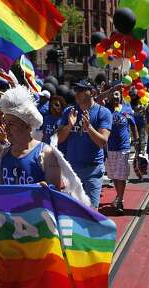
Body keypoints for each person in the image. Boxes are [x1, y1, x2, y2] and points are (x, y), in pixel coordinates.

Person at [57, 79, 112, 208]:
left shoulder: (103, 113)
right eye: (76, 90)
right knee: (72, 213)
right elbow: (59, 139)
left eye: (81, 90)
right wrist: (69, 125)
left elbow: (102, 141)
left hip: (92, 170)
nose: (77, 93)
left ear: (92, 92)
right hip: (71, 170)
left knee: (91, 213)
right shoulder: (68, 112)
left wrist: (89, 128)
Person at [105, 91, 138, 214]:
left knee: (122, 176)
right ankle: (119, 195)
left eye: (117, 94)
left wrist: (137, 141)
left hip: (123, 148)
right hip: (109, 148)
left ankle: (120, 201)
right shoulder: (105, 109)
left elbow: (133, 125)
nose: (115, 96)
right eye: (113, 94)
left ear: (121, 96)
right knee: (114, 175)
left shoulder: (127, 108)